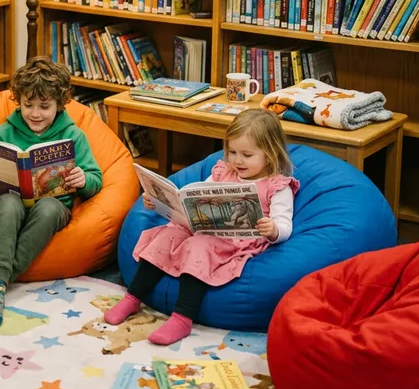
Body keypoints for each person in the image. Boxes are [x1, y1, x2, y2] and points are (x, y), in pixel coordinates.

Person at [105, 108, 299, 345]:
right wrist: (158, 203)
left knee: (199, 245)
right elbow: (197, 196)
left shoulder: (277, 186)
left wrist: (273, 230)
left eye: (247, 155)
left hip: (236, 240)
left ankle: (182, 317)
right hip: (204, 227)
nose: (237, 160)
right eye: (232, 151)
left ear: (270, 154)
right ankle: (133, 297)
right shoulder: (223, 171)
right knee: (168, 233)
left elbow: (284, 224)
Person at [0, 57, 103, 327]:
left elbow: (96, 179)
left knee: (50, 208)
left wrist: (82, 179)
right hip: (6, 201)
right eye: (28, 105)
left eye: (44, 106)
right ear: (18, 101)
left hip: (51, 206)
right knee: (8, 204)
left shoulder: (74, 135)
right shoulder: (2, 133)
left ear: (60, 104)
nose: (35, 113)